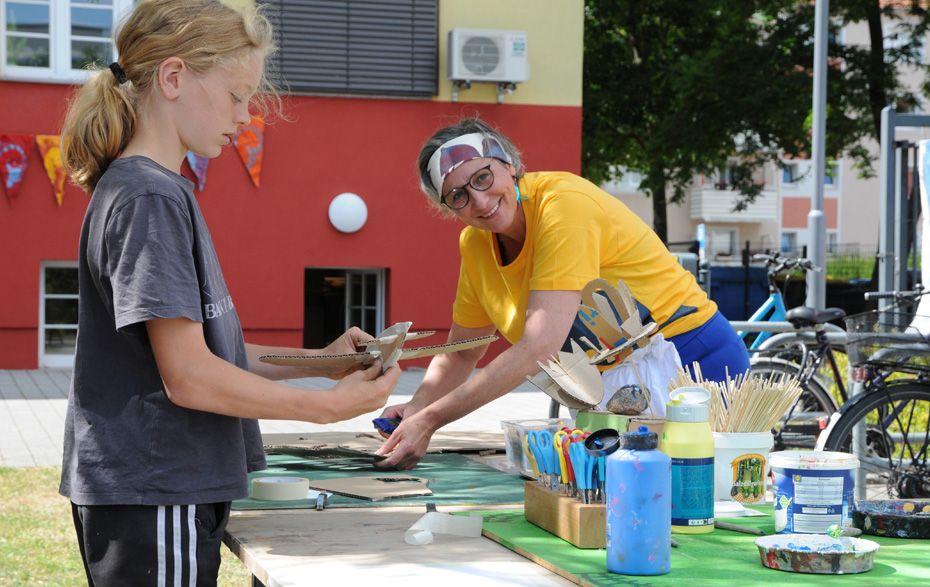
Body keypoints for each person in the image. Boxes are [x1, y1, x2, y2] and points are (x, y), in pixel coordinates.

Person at [58, 1, 400, 585]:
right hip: (154, 488)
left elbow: (212, 356)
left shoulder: (162, 190)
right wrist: (326, 408)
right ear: (173, 77)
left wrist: (324, 361)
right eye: (236, 95)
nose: (246, 116)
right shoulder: (148, 199)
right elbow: (190, 378)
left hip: (162, 488)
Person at [374, 117, 749, 470]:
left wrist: (433, 419)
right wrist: (417, 407)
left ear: (511, 165)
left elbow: (540, 347)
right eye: (457, 195)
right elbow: (463, 352)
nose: (480, 201)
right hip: (607, 390)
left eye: (484, 177)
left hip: (693, 365)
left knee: (695, 507)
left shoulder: (563, 205)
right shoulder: (475, 244)